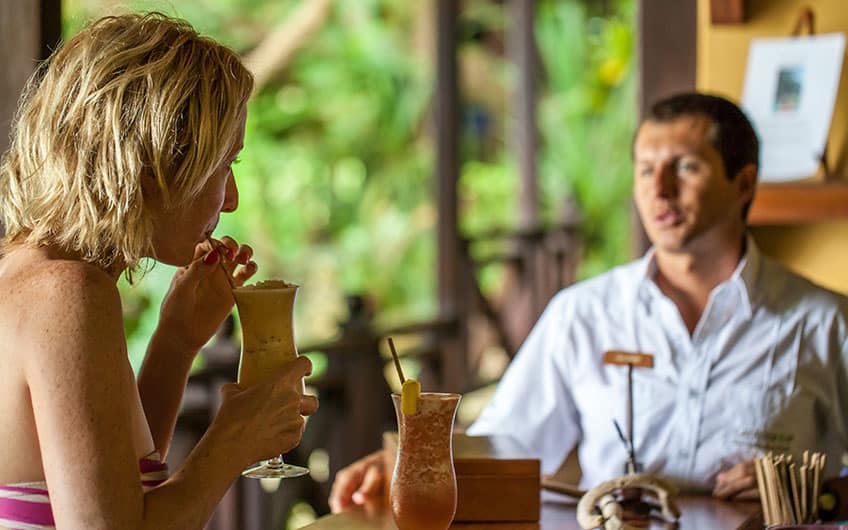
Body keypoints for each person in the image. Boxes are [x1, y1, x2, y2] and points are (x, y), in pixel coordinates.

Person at [329, 92, 848, 512]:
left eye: (685, 167)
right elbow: (508, 441)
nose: (658, 190)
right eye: (645, 170)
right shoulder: (583, 313)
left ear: (744, 184)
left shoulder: (825, 321)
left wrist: (813, 492)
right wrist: (409, 460)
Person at [0, 12, 318, 529]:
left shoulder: (33, 272)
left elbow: (118, 487)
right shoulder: (67, 292)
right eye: (224, 166)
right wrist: (232, 442)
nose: (231, 200)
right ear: (151, 166)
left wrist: (176, 341)